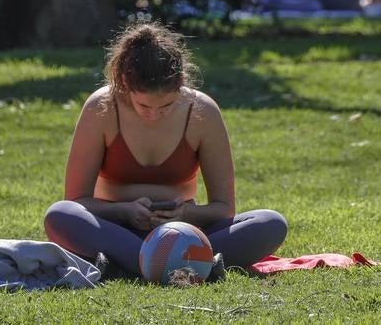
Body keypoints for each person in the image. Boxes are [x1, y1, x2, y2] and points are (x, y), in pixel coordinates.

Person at [43, 22, 288, 280]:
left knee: (270, 223)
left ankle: (131, 266)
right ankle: (192, 265)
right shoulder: (101, 107)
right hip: (115, 230)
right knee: (59, 215)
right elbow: (76, 201)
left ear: (181, 82)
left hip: (184, 232)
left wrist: (186, 214)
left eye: (166, 106)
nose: (154, 115)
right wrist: (125, 210)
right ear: (125, 82)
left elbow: (224, 208)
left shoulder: (202, 111)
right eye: (144, 106)